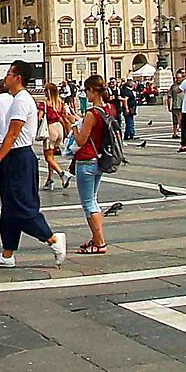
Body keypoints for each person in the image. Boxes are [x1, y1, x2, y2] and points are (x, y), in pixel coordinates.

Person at [0, 62, 63, 268]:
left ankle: (52, 239)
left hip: (19, 157)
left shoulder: (22, 100)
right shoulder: (18, 99)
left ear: (18, 78)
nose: (5, 77)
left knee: (22, 207)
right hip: (15, 157)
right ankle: (7, 255)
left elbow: (13, 133)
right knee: (9, 208)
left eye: (9, 74)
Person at [69, 74, 114, 254]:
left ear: (93, 91)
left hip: (86, 160)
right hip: (100, 158)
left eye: (87, 90)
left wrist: (73, 125)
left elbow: (80, 139)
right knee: (93, 201)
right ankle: (96, 239)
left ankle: (100, 242)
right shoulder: (109, 109)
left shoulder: (92, 113)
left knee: (89, 203)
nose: (85, 94)